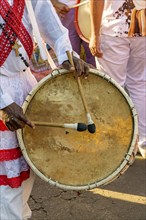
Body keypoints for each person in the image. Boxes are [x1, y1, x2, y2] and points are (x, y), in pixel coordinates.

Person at [0, 0, 89, 219]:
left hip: (23, 84)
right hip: (2, 91)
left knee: (25, 171)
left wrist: (67, 55)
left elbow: (53, 28)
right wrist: (2, 103)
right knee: (7, 179)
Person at [89, 0, 146, 158]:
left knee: (112, 88)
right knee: (139, 85)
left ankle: (117, 142)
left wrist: (95, 34)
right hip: (142, 28)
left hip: (113, 29)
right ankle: (142, 140)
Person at [51, 0, 96, 67]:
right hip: (64, 9)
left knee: (93, 52)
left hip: (88, 6)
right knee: (69, 56)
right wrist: (54, 3)